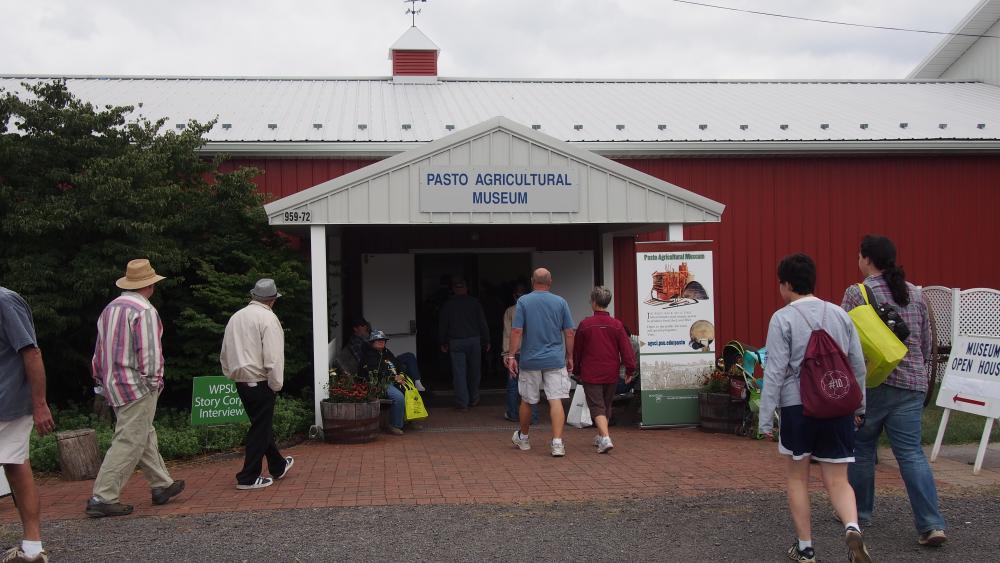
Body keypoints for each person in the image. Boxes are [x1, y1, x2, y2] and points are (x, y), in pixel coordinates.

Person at [758, 254, 871, 563]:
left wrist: (765, 420)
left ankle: (805, 548)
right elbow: (857, 365)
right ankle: (852, 526)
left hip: (798, 407)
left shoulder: (782, 318)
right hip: (838, 404)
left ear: (786, 284)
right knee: (838, 480)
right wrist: (859, 407)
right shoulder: (839, 314)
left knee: (798, 478)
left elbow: (775, 371)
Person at [841, 234, 947, 547]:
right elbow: (926, 344)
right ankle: (931, 524)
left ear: (866, 259)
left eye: (859, 256)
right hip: (912, 385)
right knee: (911, 454)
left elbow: (845, 340)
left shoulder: (858, 292)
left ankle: (859, 513)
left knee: (862, 448)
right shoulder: (917, 293)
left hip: (873, 384)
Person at [87, 259, 185, 517]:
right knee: (130, 439)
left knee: (142, 432)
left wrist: (100, 379)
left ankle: (162, 484)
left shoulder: (110, 308)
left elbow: (98, 350)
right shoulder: (144, 311)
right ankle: (102, 496)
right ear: (149, 285)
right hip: (136, 384)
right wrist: (153, 382)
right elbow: (150, 352)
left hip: (113, 383)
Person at [221, 279, 293, 491]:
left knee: (261, 425)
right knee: (259, 429)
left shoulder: (236, 317)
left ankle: (278, 465)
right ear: (273, 300)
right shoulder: (268, 318)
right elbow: (273, 357)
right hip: (260, 380)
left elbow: (225, 350)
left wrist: (230, 373)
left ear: (254, 296)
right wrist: (275, 384)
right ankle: (248, 477)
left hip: (240, 380)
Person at [1, 287, 55, 562]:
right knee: (16, 465)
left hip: (7, 401)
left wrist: (40, 403)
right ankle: (32, 548)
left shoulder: (5, 301)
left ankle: (33, 545)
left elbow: (32, 352)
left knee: (17, 465)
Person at [507, 268, 575, 457]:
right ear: (550, 281)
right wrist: (570, 356)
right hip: (555, 359)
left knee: (527, 400)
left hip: (530, 359)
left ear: (532, 281)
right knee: (555, 400)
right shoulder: (560, 302)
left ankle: (524, 438)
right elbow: (569, 332)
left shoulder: (523, 301)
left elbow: (517, 331)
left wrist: (511, 356)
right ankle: (557, 443)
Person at [572, 286, 636, 454]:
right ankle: (601, 436)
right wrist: (630, 370)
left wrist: (576, 369)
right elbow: (627, 350)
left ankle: (606, 438)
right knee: (606, 405)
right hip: (611, 371)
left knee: (596, 406)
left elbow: (578, 351)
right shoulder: (617, 325)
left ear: (593, 302)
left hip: (591, 372)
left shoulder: (585, 325)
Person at [438, 277, 490, 410]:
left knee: (459, 374)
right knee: (475, 371)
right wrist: (487, 340)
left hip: (456, 341)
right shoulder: (475, 303)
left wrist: (442, 341)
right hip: (474, 341)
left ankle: (462, 403)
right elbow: (482, 323)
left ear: (453, 290)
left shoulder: (448, 305)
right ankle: (474, 398)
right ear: (466, 289)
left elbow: (443, 324)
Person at [344, 316, 425, 391]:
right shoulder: (356, 343)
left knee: (409, 356)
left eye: (365, 325)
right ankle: (410, 384)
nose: (365, 327)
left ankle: (417, 381)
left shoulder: (366, 337)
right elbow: (364, 362)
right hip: (378, 365)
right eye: (362, 325)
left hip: (385, 359)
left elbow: (386, 353)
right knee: (402, 371)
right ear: (355, 328)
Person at [359, 330, 410, 435]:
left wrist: (401, 374)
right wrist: (394, 378)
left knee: (411, 391)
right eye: (378, 340)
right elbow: (375, 373)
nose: (381, 342)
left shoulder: (386, 352)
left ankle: (409, 420)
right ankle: (395, 425)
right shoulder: (368, 355)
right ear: (372, 342)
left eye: (383, 340)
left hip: (391, 381)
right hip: (378, 384)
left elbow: (397, 364)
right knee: (398, 397)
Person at [502, 283, 538, 424]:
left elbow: (507, 333)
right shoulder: (534, 310)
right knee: (532, 384)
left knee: (512, 386)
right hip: (531, 352)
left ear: (514, 296)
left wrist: (506, 353)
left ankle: (513, 414)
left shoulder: (510, 311)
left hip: (514, 352)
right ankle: (533, 417)